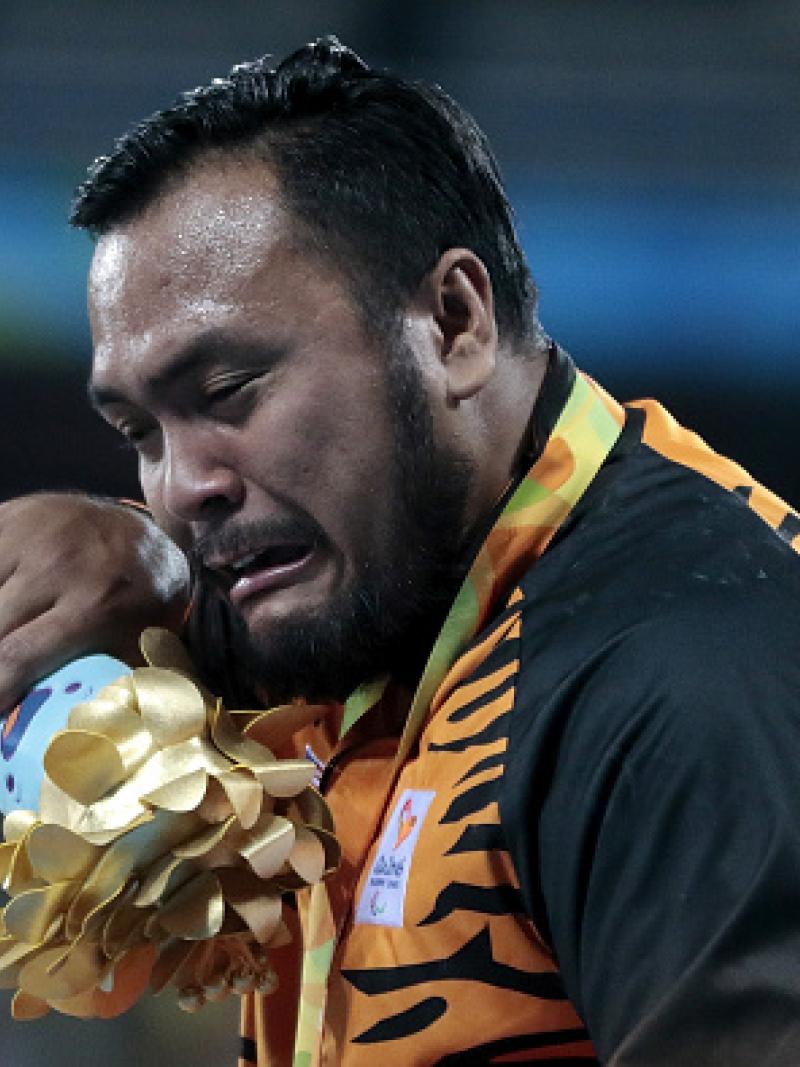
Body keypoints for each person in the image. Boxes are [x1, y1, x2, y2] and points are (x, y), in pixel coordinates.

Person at [2, 36, 800, 1066]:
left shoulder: (683, 686)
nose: (183, 484)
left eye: (227, 392)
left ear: (452, 321)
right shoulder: (380, 579)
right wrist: (131, 547)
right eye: (141, 433)